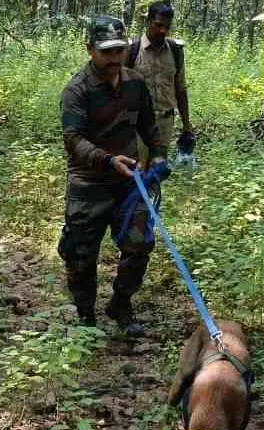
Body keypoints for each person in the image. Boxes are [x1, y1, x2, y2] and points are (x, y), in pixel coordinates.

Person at [58, 15, 168, 336]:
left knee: (139, 245)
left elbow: (149, 125)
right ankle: (86, 318)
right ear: (90, 50)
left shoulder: (135, 83)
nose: (114, 58)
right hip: (89, 184)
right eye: (106, 52)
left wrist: (158, 154)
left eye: (119, 50)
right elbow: (73, 140)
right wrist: (107, 159)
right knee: (81, 255)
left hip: (129, 184)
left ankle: (121, 303)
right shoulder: (77, 90)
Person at [126, 1, 193, 161]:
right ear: (148, 21)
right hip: (138, 123)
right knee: (138, 170)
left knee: (158, 169)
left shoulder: (175, 52)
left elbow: (180, 89)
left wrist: (186, 125)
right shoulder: (132, 51)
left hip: (165, 123)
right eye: (158, 25)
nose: (163, 30)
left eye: (167, 26)